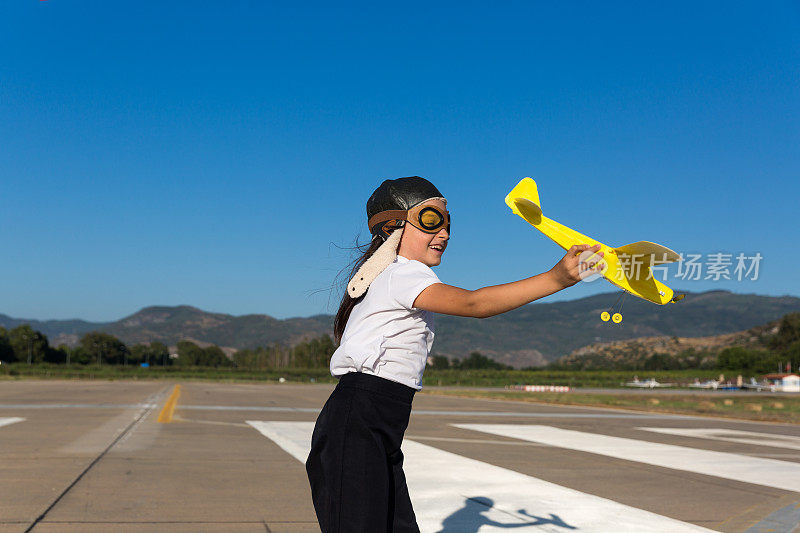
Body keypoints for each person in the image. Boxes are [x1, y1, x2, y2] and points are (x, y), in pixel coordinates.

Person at [305, 176, 603, 532]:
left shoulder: (394, 278)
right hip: (358, 423)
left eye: (448, 222)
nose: (444, 232)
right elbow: (475, 303)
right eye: (431, 219)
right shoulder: (403, 274)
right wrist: (557, 279)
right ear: (392, 227)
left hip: (376, 424)